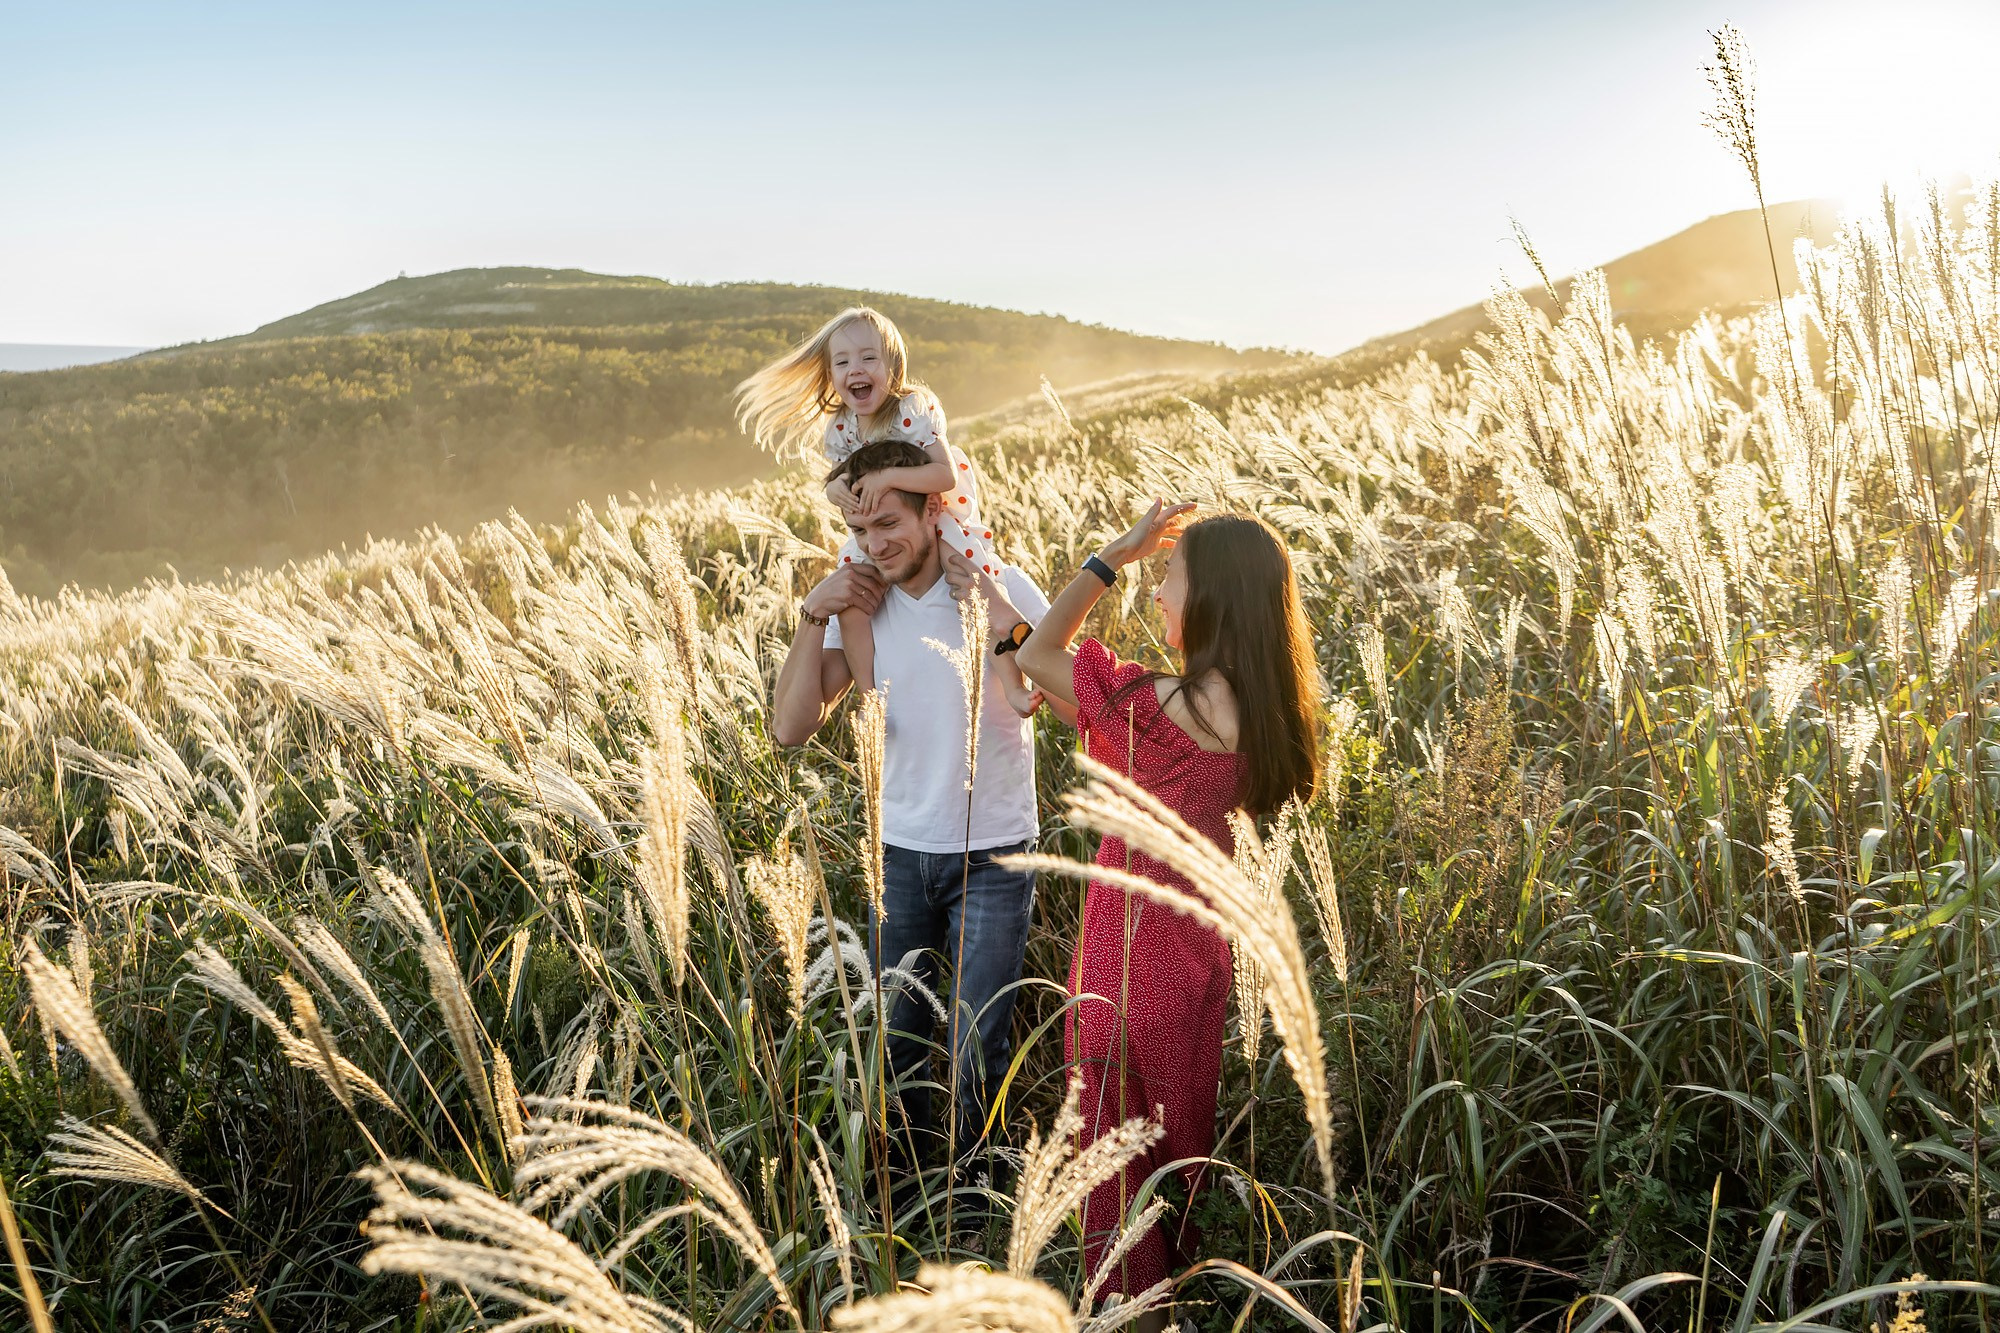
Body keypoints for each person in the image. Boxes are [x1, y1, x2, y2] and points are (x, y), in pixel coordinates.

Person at [956, 502, 1321, 1302]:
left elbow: (1053, 652)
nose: (1157, 592)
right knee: (1165, 1172)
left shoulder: (1161, 705)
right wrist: (1019, 650)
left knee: (1113, 1189)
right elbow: (1090, 715)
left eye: (1170, 576)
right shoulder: (1253, 715)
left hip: (1124, 966)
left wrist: (1108, 557)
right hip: (1193, 967)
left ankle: (1132, 1316)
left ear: (1211, 598)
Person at [770, 437, 1061, 1169]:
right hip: (897, 852)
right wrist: (814, 613)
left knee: (976, 1043)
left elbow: (1065, 697)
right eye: (862, 529)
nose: (877, 543)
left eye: (889, 523)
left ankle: (971, 1205)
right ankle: (904, 1194)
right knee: (893, 1039)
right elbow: (789, 728)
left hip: (996, 853)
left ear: (935, 511)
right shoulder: (858, 603)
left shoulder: (1001, 582)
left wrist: (999, 613)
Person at [735, 306, 998, 694]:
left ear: (894, 367)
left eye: (868, 357)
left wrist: (888, 476)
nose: (854, 369)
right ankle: (870, 691)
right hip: (882, 526)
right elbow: (841, 481)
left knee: (974, 579)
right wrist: (832, 489)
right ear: (831, 376)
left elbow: (944, 476)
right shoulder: (841, 427)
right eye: (841, 362)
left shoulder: (911, 409)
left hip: (933, 516)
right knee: (852, 599)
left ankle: (1008, 675)